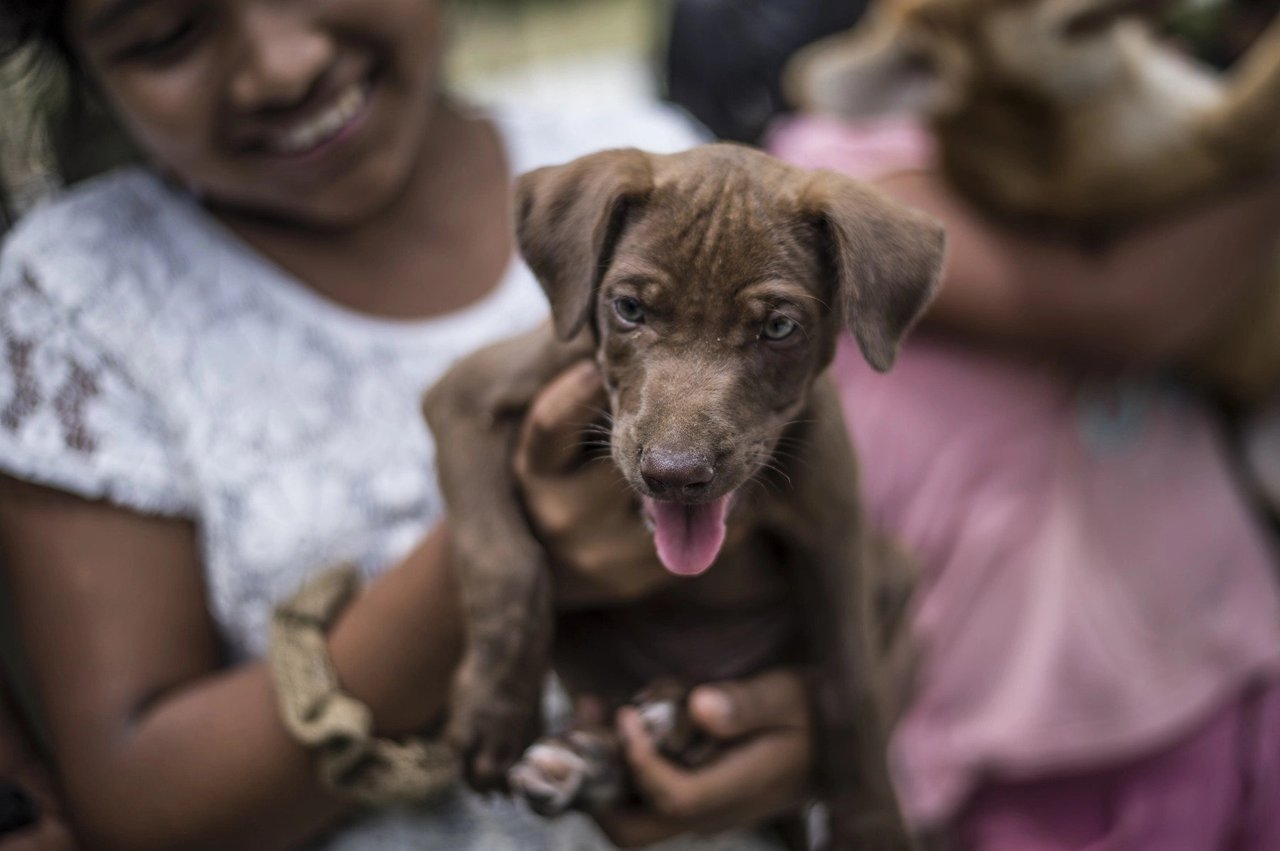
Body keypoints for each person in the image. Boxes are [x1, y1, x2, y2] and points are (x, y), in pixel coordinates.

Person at [0, 1, 814, 849]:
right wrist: (499, 561)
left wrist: (809, 722)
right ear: (82, 61)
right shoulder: (81, 298)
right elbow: (136, 806)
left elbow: (849, 552)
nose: (282, 66)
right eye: (166, 35)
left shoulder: (641, 160)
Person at [767, 68, 1280, 851]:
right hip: (1039, 719)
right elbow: (1123, 312)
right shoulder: (834, 179)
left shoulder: (1112, 111)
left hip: (1231, 646)